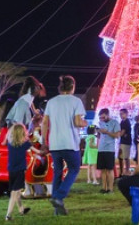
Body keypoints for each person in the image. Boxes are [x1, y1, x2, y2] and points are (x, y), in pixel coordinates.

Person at [41, 75, 87, 216]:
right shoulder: (76, 101)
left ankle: (57, 209)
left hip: (55, 143)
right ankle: (58, 197)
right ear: (72, 86)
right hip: (70, 142)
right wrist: (86, 124)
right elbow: (78, 122)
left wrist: (44, 141)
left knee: (58, 173)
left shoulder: (52, 102)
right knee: (74, 169)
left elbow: (44, 123)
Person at [5, 123, 40, 221]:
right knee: (15, 192)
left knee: (17, 190)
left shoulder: (10, 144)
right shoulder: (25, 144)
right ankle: (8, 215)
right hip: (20, 170)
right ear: (22, 133)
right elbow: (37, 151)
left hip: (11, 170)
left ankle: (21, 209)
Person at [97, 108, 121, 194]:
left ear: (107, 115)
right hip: (101, 149)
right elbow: (99, 135)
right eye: (100, 118)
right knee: (103, 169)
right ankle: (104, 188)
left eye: (103, 117)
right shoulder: (101, 123)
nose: (102, 119)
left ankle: (110, 189)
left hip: (110, 149)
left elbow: (117, 136)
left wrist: (107, 132)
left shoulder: (115, 123)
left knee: (110, 169)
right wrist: (99, 131)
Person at [118, 109, 132, 177]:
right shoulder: (122, 122)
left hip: (126, 142)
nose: (121, 115)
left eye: (122, 113)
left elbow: (122, 131)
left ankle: (126, 171)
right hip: (123, 141)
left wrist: (115, 135)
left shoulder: (126, 122)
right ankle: (122, 172)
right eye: (120, 114)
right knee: (121, 157)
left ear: (126, 114)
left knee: (125, 157)